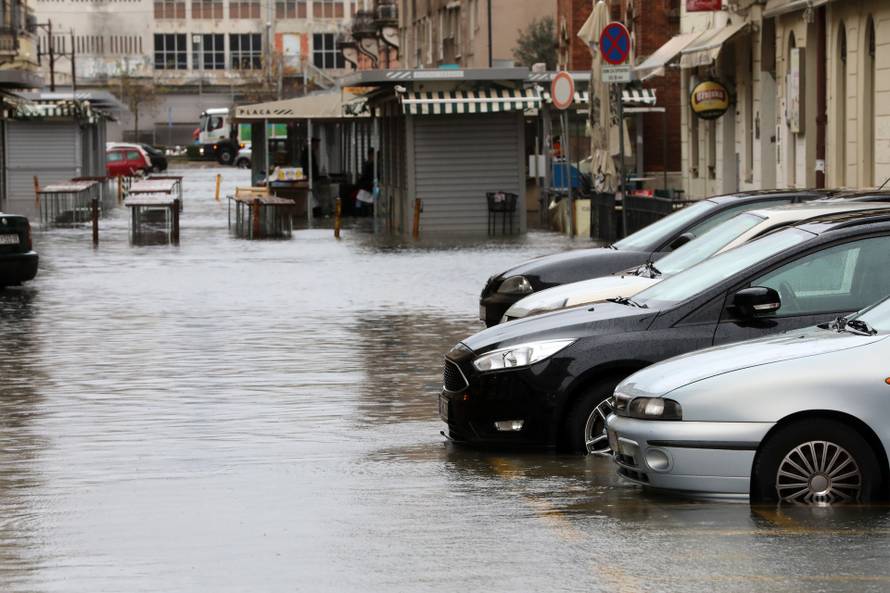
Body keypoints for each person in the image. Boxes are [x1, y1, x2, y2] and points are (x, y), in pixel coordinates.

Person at [355, 147, 376, 216]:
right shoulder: (368, 165)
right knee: (360, 201)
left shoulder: (372, 165)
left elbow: (365, 176)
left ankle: (365, 213)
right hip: (366, 187)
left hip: (369, 187)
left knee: (363, 202)